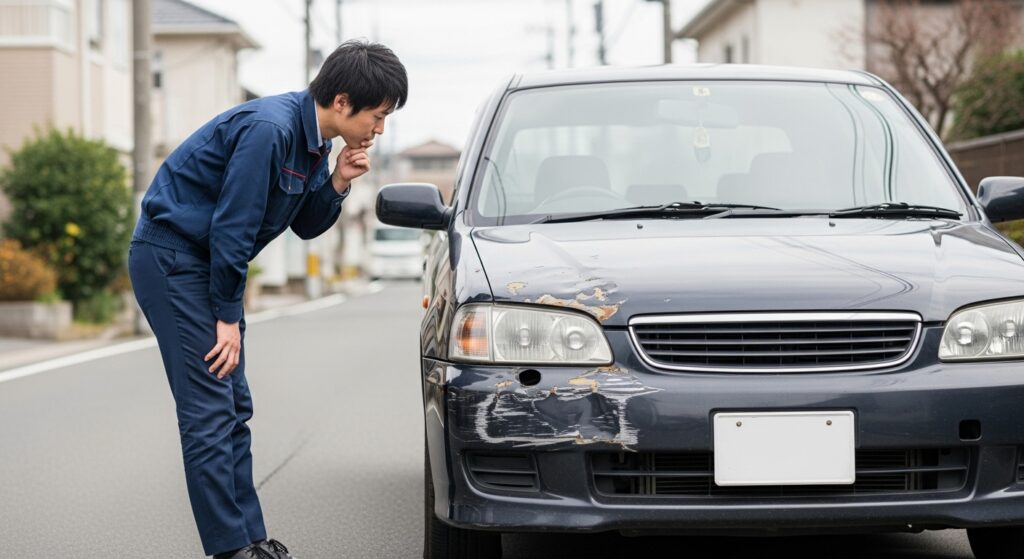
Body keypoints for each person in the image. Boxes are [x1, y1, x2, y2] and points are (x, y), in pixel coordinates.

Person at [128, 40, 407, 559]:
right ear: (343, 101)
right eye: (378, 115)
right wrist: (227, 318)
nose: (380, 129)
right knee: (209, 409)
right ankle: (232, 549)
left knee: (234, 406)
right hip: (173, 259)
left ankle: (251, 539)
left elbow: (303, 225)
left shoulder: (314, 142)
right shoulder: (271, 130)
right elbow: (232, 230)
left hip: (203, 262)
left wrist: (339, 182)